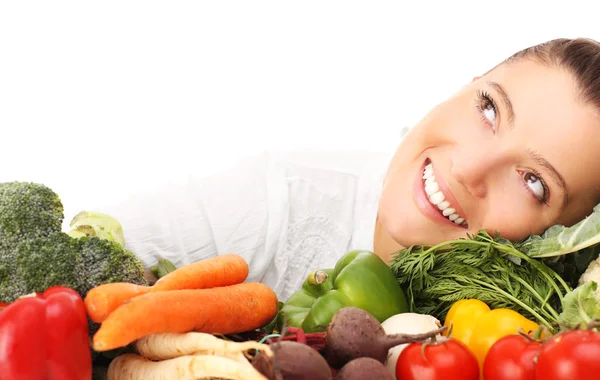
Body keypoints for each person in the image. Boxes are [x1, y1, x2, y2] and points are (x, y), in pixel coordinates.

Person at [99, 37, 600, 301]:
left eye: (534, 182)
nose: (470, 167)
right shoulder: (278, 199)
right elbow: (74, 262)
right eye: (489, 107)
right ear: (464, 86)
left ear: (569, 245)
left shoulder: (538, 339)